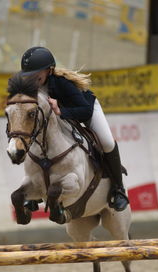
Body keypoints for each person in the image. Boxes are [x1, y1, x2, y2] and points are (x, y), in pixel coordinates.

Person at [20, 46, 129, 211]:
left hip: (85, 110)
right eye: (28, 75)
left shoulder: (63, 83)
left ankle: (119, 190)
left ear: (49, 70)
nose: (32, 78)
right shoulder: (30, 88)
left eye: (37, 73)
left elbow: (84, 109)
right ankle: (34, 193)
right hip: (59, 120)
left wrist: (60, 111)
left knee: (106, 142)